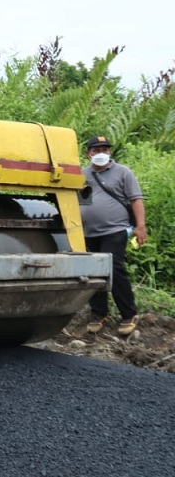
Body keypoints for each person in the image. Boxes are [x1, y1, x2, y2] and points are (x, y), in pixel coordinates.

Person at [80, 134, 146, 336]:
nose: (101, 153)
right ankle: (99, 313)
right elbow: (80, 201)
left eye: (105, 150)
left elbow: (136, 200)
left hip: (114, 230)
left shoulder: (123, 173)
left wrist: (141, 226)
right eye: (97, 150)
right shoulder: (83, 175)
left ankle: (129, 314)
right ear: (88, 153)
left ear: (110, 152)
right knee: (92, 271)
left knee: (113, 268)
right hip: (88, 232)